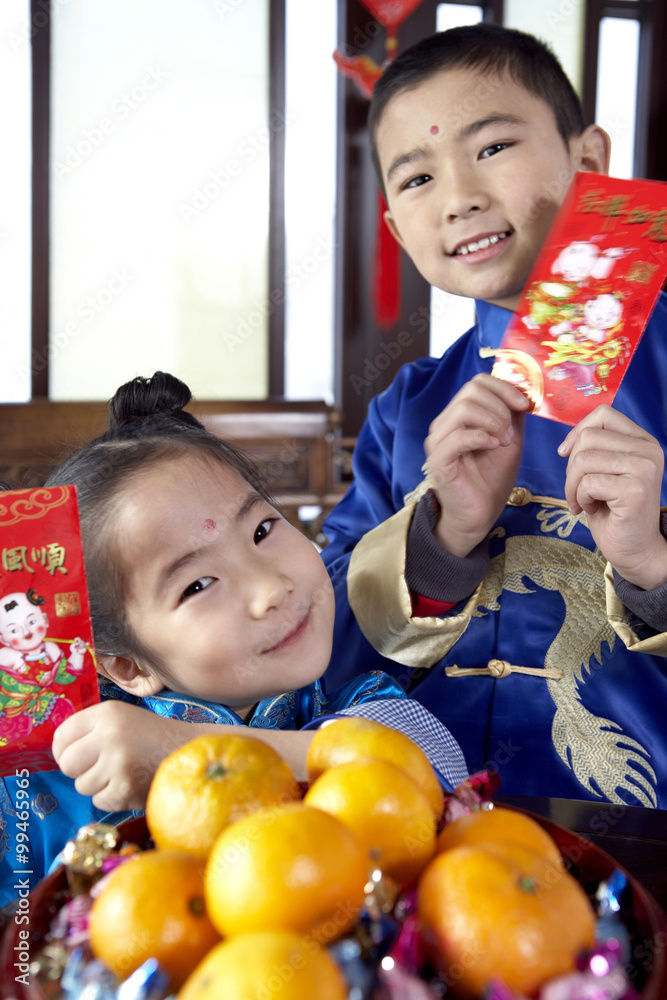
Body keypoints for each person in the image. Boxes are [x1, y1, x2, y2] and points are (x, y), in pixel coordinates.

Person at [322, 23, 667, 810]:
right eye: (415, 181)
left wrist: (653, 568)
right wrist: (441, 539)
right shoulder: (405, 408)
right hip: (432, 829)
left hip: (643, 831)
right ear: (394, 228)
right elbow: (332, 654)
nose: (459, 198)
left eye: (491, 149)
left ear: (587, 160)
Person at [0, 373, 467, 907]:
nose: (270, 588)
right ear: (129, 668)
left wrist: (180, 753)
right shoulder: (46, 781)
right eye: (197, 585)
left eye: (262, 530)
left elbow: (433, 774)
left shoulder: (357, 708)